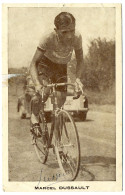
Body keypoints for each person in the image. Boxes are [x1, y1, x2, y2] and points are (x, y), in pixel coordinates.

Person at [29, 12, 84, 135]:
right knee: (43, 93)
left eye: (72, 30)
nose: (69, 36)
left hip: (61, 67)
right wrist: (37, 84)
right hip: (45, 65)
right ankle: (34, 117)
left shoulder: (77, 37)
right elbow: (33, 64)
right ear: (56, 30)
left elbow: (80, 60)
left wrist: (78, 79)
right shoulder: (48, 37)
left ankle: (58, 144)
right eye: (64, 32)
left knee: (59, 106)